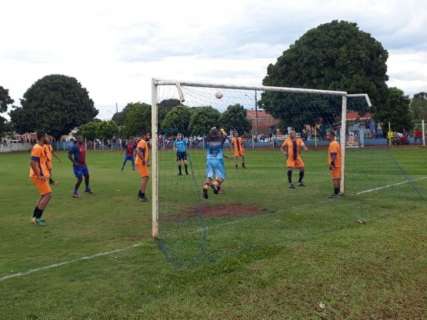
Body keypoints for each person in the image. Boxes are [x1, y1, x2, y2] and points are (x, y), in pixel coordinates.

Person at [29, 132, 52, 226]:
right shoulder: (37, 147)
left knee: (44, 195)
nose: (48, 138)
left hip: (41, 175)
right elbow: (32, 163)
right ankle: (38, 218)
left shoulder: (42, 146)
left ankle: (35, 217)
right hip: (38, 176)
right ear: (42, 137)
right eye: (46, 136)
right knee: (48, 195)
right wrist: (39, 175)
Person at [202, 127, 228, 199]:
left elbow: (207, 136)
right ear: (217, 133)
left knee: (209, 177)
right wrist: (222, 130)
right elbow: (225, 135)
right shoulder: (220, 141)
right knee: (221, 177)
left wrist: (211, 131)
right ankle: (214, 184)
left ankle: (205, 188)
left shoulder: (207, 140)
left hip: (209, 160)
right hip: (217, 160)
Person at [135, 133, 150, 202]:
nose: (149, 137)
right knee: (145, 177)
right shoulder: (142, 141)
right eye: (148, 135)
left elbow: (143, 152)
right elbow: (138, 151)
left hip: (141, 162)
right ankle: (141, 196)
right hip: (141, 162)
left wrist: (146, 162)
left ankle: (140, 193)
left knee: (146, 178)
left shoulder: (144, 142)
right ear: (144, 136)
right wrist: (143, 160)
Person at [327, 131, 342, 198]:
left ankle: (336, 193)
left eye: (328, 135)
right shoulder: (336, 143)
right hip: (338, 163)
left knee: (335, 179)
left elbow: (333, 154)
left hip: (335, 164)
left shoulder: (333, 144)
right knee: (337, 178)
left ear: (332, 136)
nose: (327, 137)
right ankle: (338, 193)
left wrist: (331, 163)